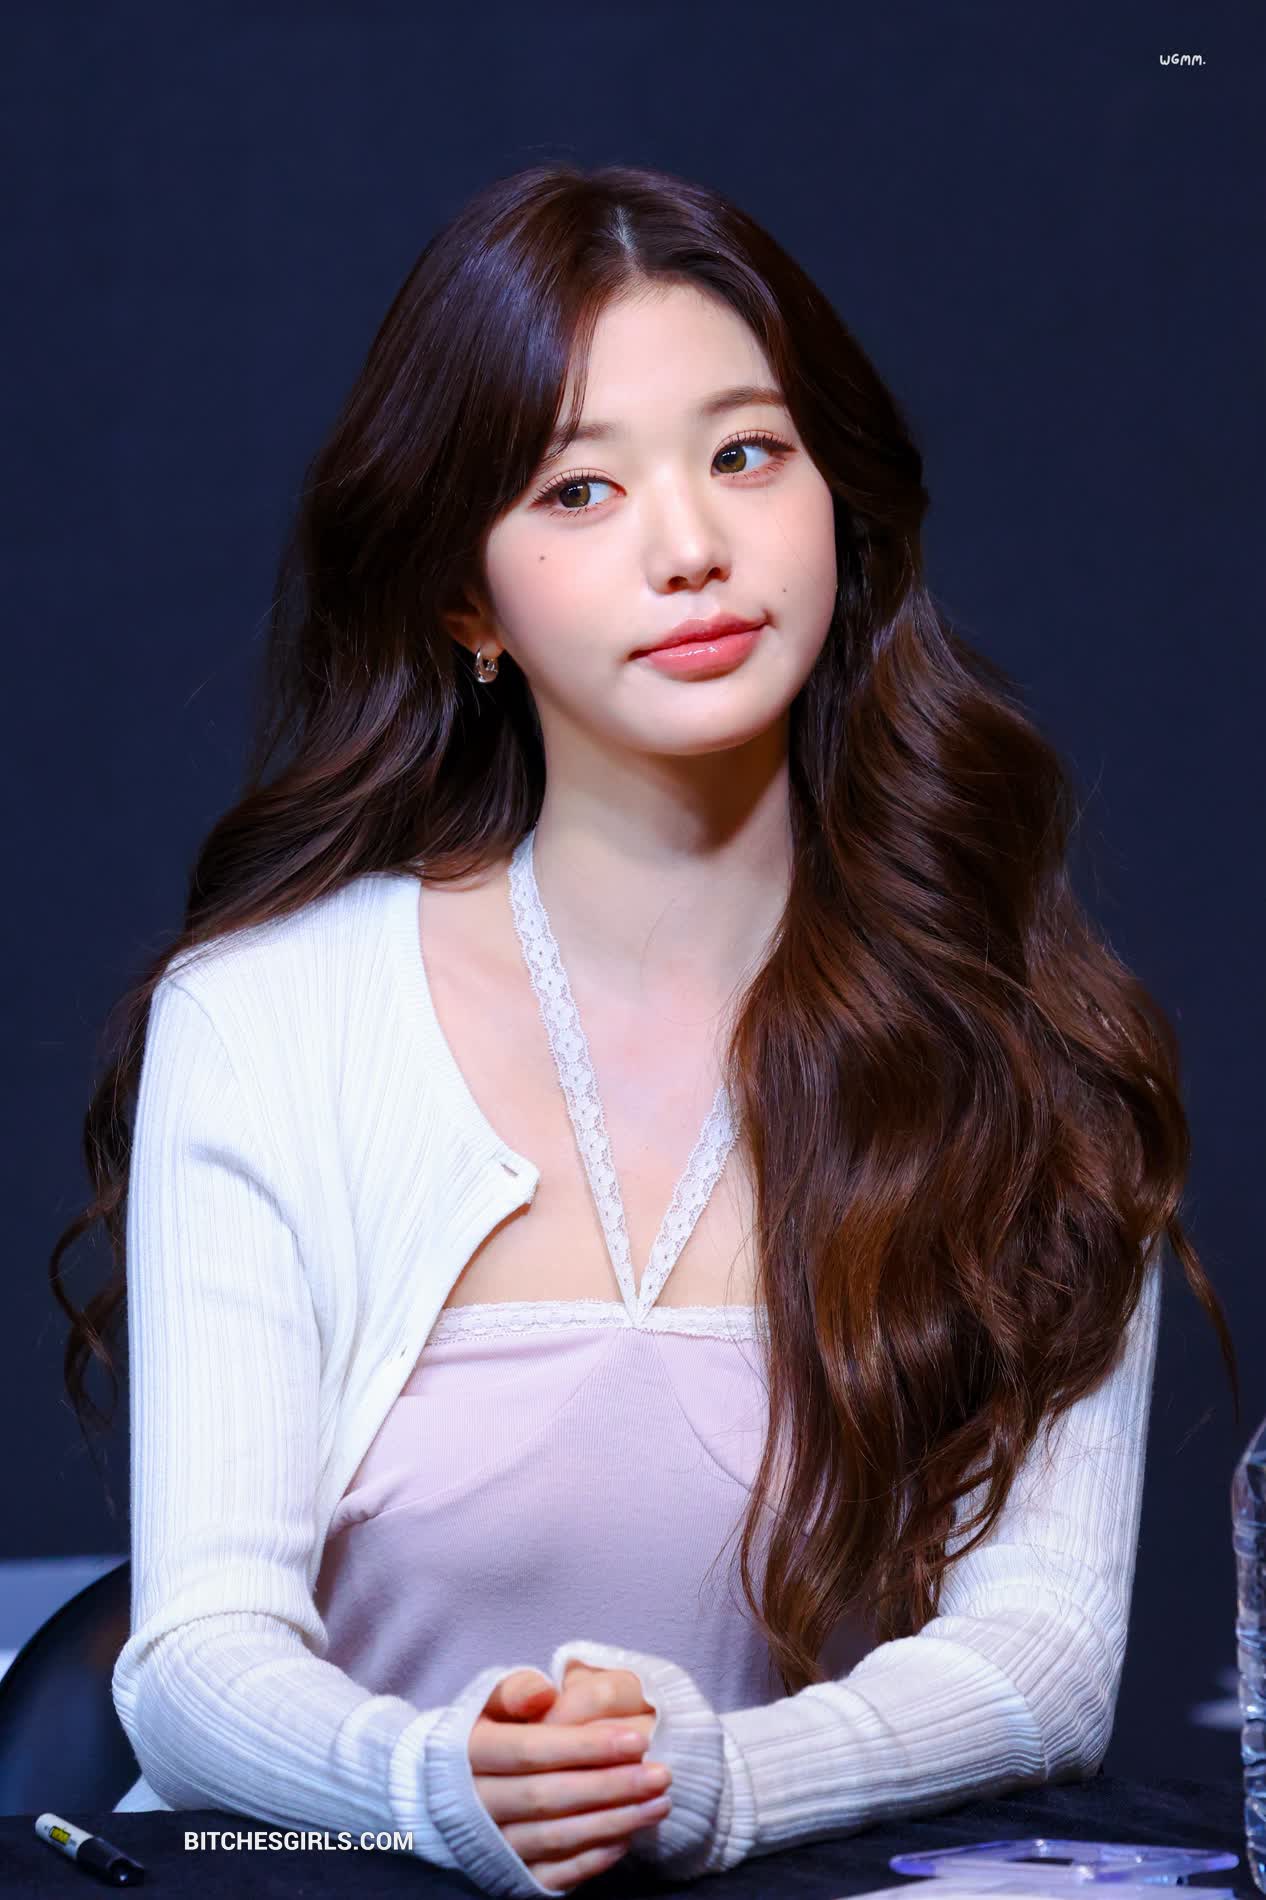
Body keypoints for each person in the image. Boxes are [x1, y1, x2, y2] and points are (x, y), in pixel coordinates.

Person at [49, 161, 1238, 1899]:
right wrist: (437, 1780)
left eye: (745, 454)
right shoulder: (266, 1021)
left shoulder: (1026, 1051)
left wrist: (714, 1778)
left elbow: (1041, 1659)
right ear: (466, 602)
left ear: (837, 504)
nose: (690, 547)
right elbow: (192, 1661)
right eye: (579, 489)